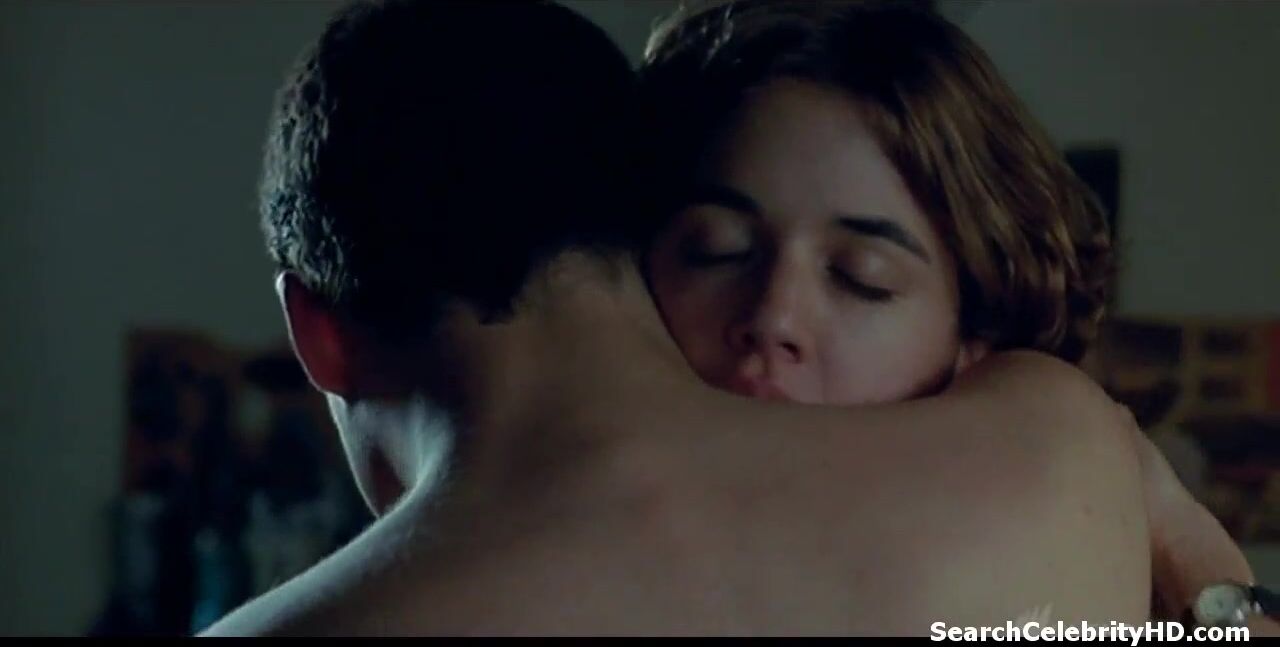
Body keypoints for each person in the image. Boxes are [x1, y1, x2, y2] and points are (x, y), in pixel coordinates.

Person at [204, 0, 1255, 635]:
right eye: (714, 250)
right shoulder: (1059, 454)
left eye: (862, 276)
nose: (771, 320)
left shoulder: (1053, 452)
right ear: (631, 258)